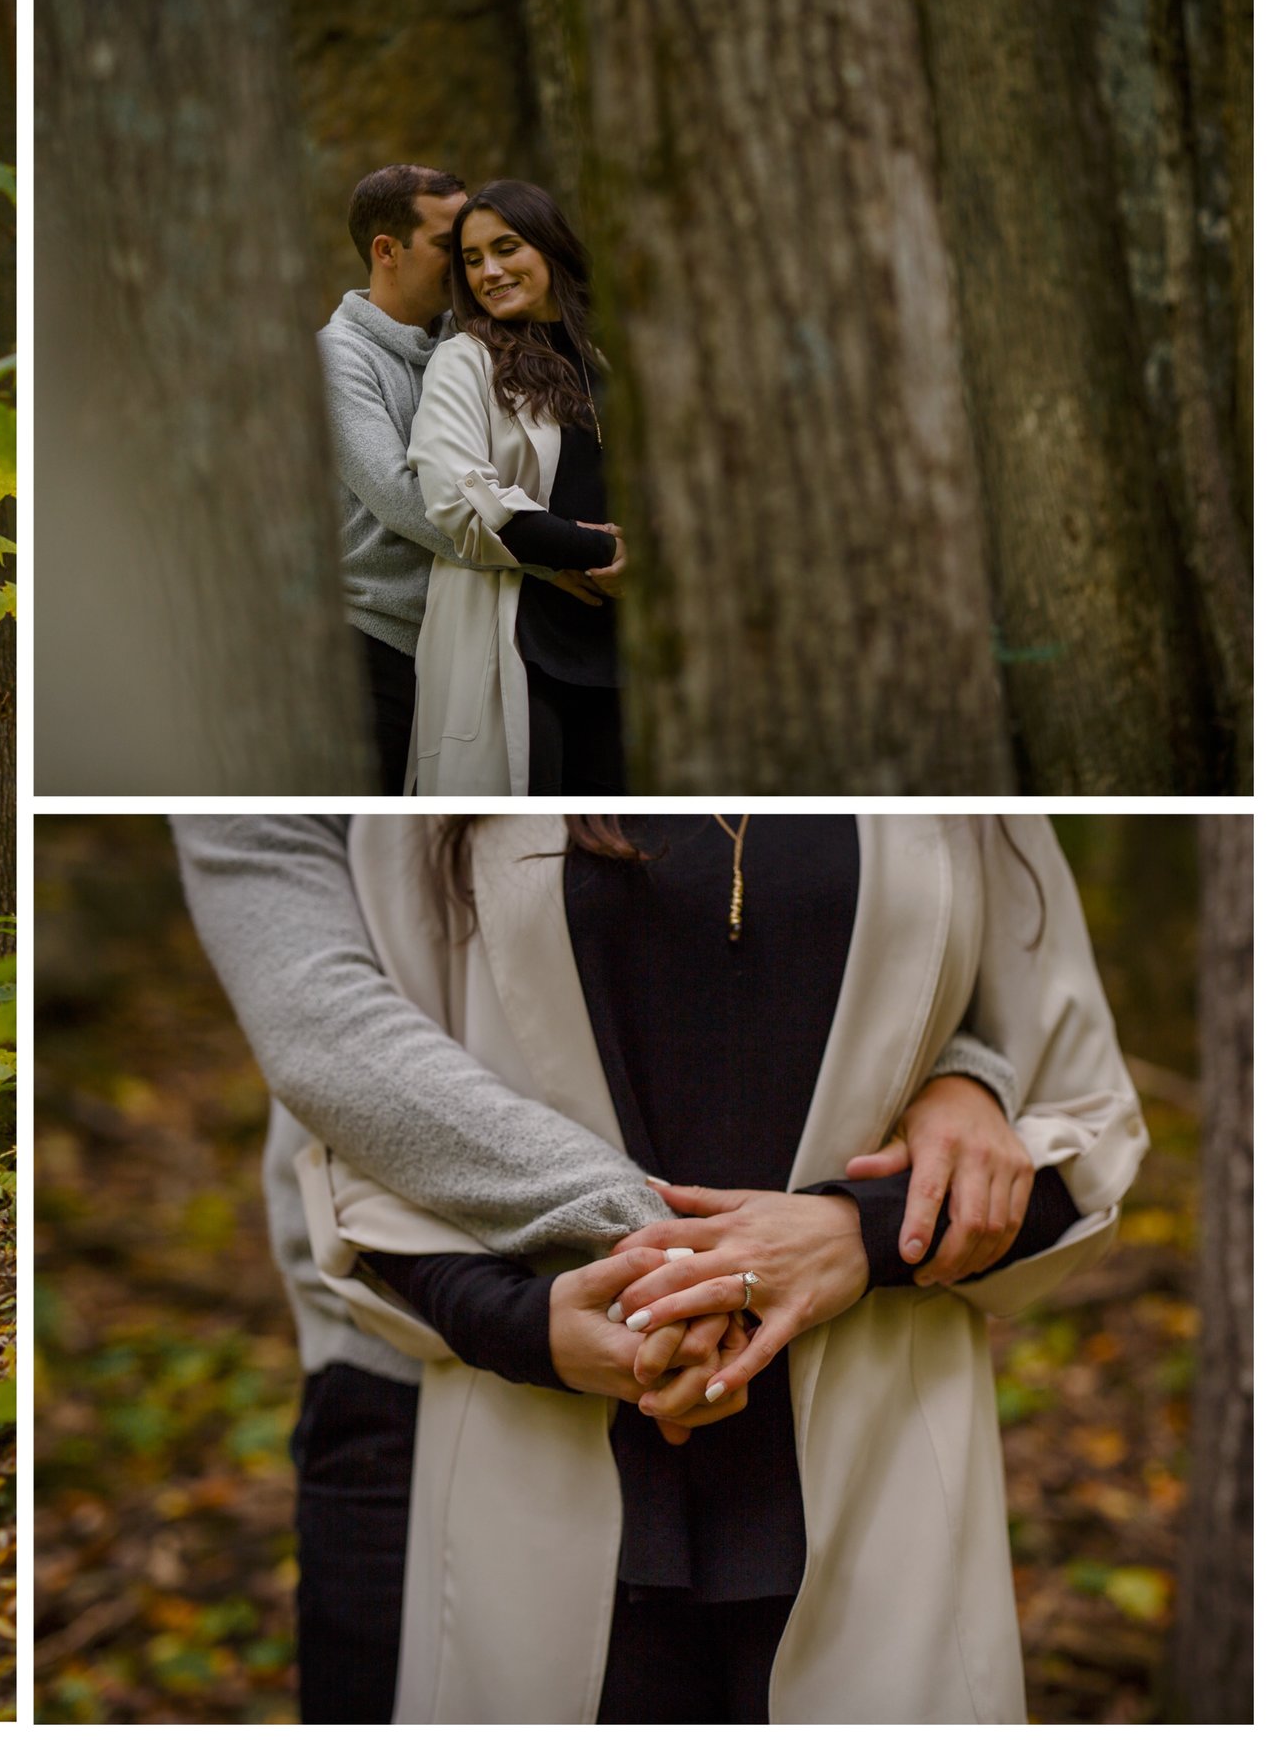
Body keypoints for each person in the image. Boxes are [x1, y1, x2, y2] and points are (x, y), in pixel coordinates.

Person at [173, 815, 1043, 1724]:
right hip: (421, 1361)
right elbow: (324, 1028)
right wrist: (674, 1250)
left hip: (846, 1421)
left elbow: (993, 988)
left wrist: (964, 1076)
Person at [406, 179, 627, 794]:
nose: (489, 272)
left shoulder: (610, 356)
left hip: (626, 643)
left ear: (550, 248)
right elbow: (459, 499)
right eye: (472, 260)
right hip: (523, 642)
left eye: (507, 248)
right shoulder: (466, 360)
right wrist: (607, 554)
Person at [319, 164, 469, 792]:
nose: (468, 263)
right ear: (388, 250)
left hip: (464, 640)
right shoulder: (336, 357)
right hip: (376, 652)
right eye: (448, 245)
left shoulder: (469, 341)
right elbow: (404, 501)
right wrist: (555, 556)